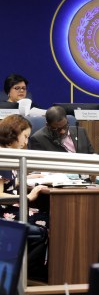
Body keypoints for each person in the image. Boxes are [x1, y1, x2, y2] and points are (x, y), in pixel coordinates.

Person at [0, 114, 50, 282]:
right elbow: (0, 194)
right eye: (25, 137)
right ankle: (27, 277)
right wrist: (28, 197)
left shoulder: (7, 153)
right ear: (14, 134)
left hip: (9, 208)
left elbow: (9, 182)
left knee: (45, 217)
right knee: (44, 223)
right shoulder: (4, 157)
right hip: (4, 213)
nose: (26, 142)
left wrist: (33, 178)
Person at [29, 106, 95, 154]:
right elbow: (40, 166)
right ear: (48, 125)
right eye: (57, 129)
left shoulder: (81, 132)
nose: (63, 131)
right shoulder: (38, 139)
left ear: (67, 120)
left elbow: (91, 155)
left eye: (65, 126)